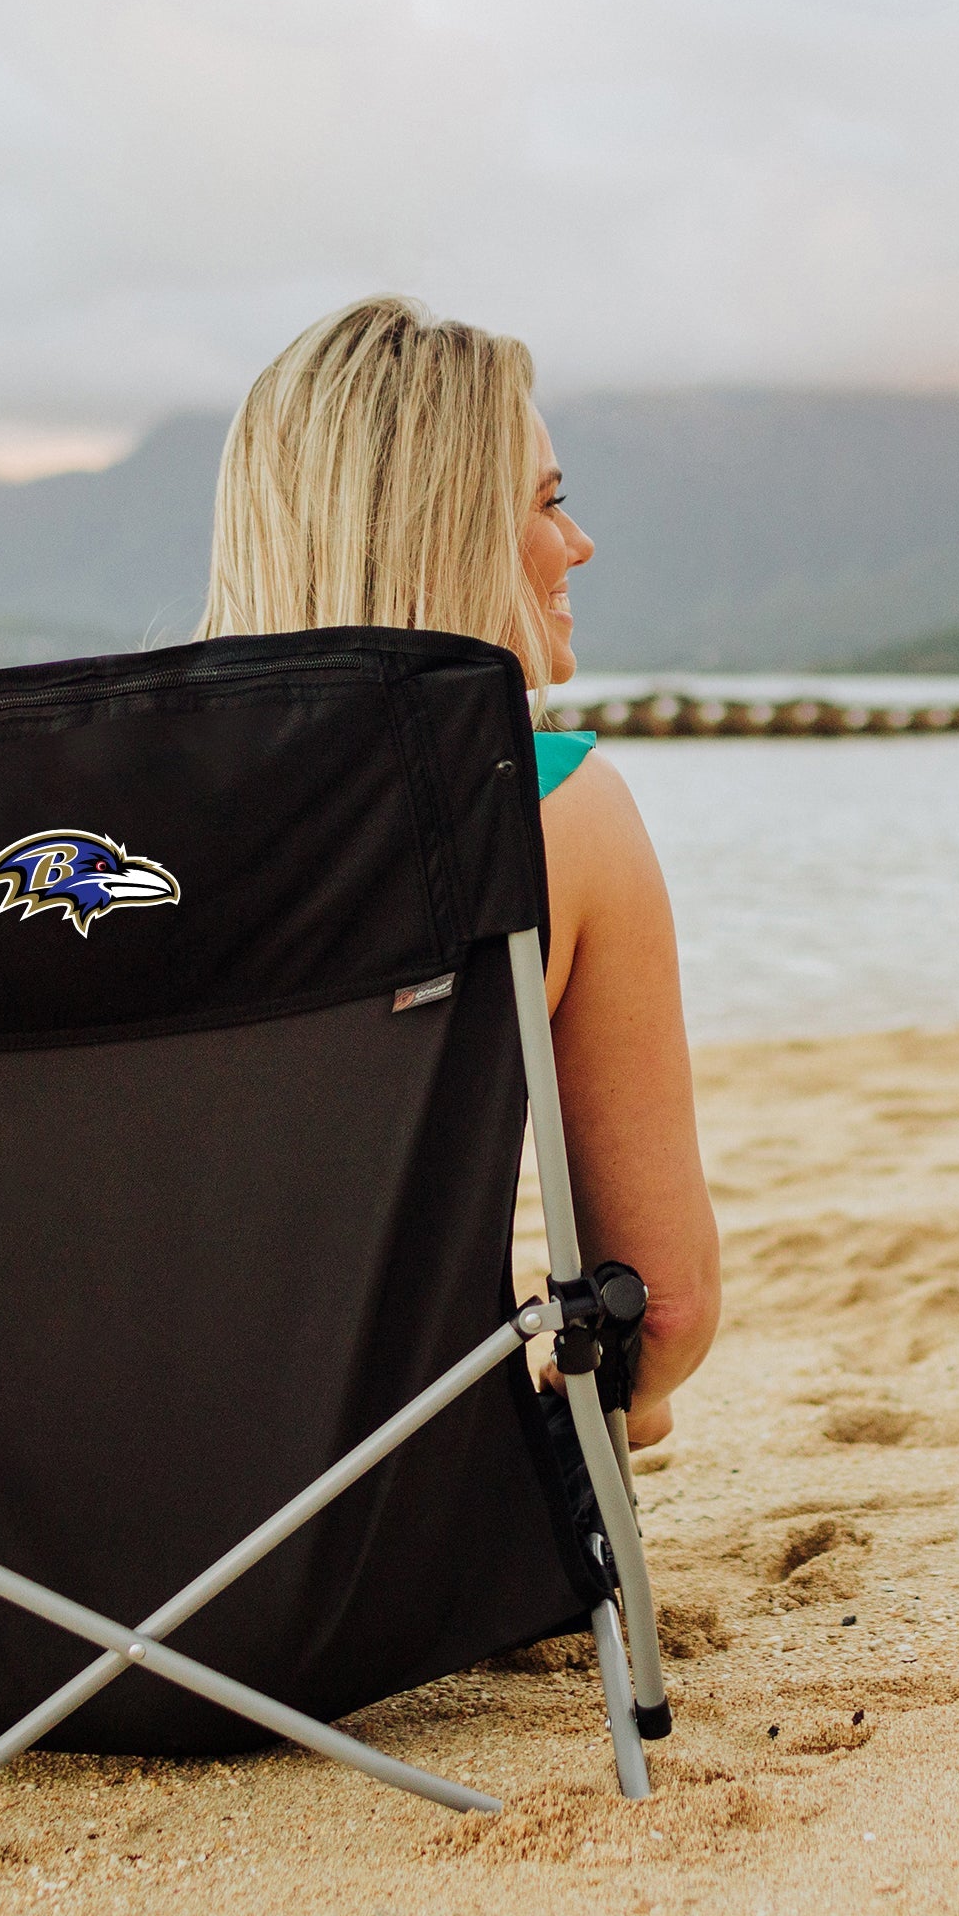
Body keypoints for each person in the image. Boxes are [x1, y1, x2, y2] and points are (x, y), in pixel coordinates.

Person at [201, 294, 722, 1441]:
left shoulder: (80, 845)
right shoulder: (552, 809)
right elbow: (665, 1311)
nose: (577, 543)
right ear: (446, 528)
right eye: (548, 503)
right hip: (377, 1535)